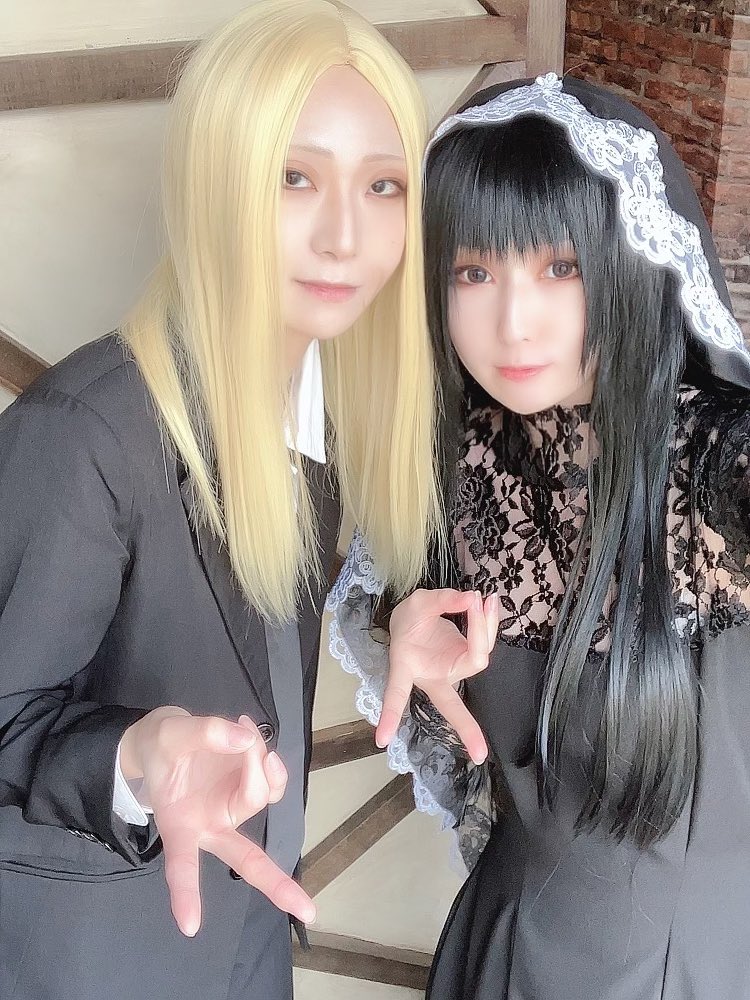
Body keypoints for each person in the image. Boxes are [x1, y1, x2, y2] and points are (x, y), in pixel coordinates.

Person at [0, 3, 441, 998]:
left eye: (383, 185)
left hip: (244, 942)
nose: (344, 236)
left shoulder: (320, 417)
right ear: (215, 182)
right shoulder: (87, 435)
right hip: (97, 960)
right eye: (294, 176)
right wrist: (135, 756)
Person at [327, 74, 750, 998]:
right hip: (500, 950)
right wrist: (409, 640)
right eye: (473, 273)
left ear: (633, 260)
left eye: (560, 268)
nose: (513, 323)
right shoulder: (456, 463)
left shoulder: (716, 462)